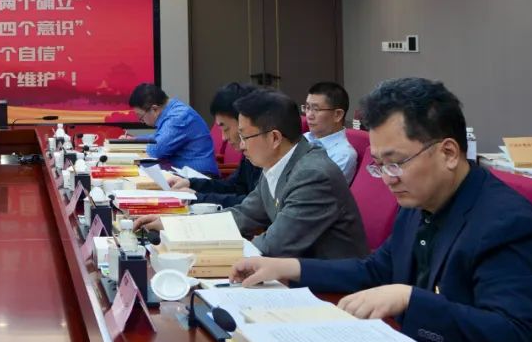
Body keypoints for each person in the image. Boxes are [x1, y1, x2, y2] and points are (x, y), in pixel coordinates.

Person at [230, 78, 532, 342]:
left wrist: (410, 298)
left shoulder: (507, 224)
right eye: (379, 164)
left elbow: (515, 339)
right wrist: (285, 267)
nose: (388, 178)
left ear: (449, 153)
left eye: (397, 162)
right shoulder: (420, 202)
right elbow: (375, 270)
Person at [137, 89, 367, 259]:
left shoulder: (313, 175)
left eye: (245, 137)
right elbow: (242, 215)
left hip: (329, 291)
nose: (241, 145)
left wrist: (196, 251)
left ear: (274, 138)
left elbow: (272, 246)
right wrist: (174, 225)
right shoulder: (278, 163)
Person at [165, 82, 261, 208]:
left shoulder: (265, 155)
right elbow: (235, 187)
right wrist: (191, 184)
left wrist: (198, 198)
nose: (224, 137)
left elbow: (256, 205)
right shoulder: (250, 153)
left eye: (226, 129)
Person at [126, 83, 219, 175]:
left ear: (154, 109)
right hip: (183, 173)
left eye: (140, 116)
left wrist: (138, 145)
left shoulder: (178, 116)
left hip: (200, 176)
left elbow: (157, 150)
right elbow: (159, 137)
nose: (141, 120)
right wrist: (135, 140)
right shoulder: (171, 110)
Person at [303, 81, 358, 182]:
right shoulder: (305, 137)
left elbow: (315, 189)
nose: (309, 115)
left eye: (316, 109)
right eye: (307, 108)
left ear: (338, 115)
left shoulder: (343, 155)